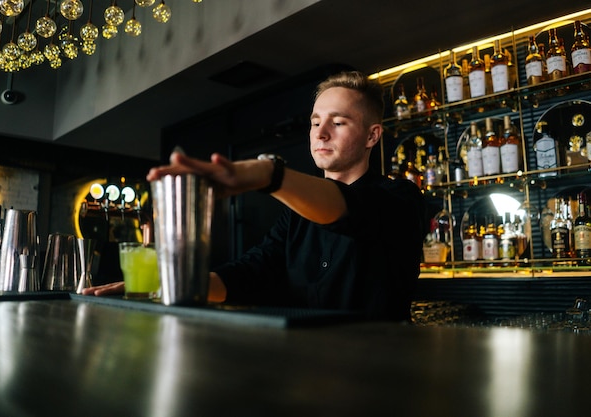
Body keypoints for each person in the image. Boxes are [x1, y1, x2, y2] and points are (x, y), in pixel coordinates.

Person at [83, 70, 428, 321]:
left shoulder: (400, 199)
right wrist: (169, 284)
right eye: (315, 121)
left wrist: (267, 175)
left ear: (372, 136)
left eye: (338, 123)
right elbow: (249, 273)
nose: (320, 133)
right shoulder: (295, 215)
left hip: (381, 377)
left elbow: (350, 211)